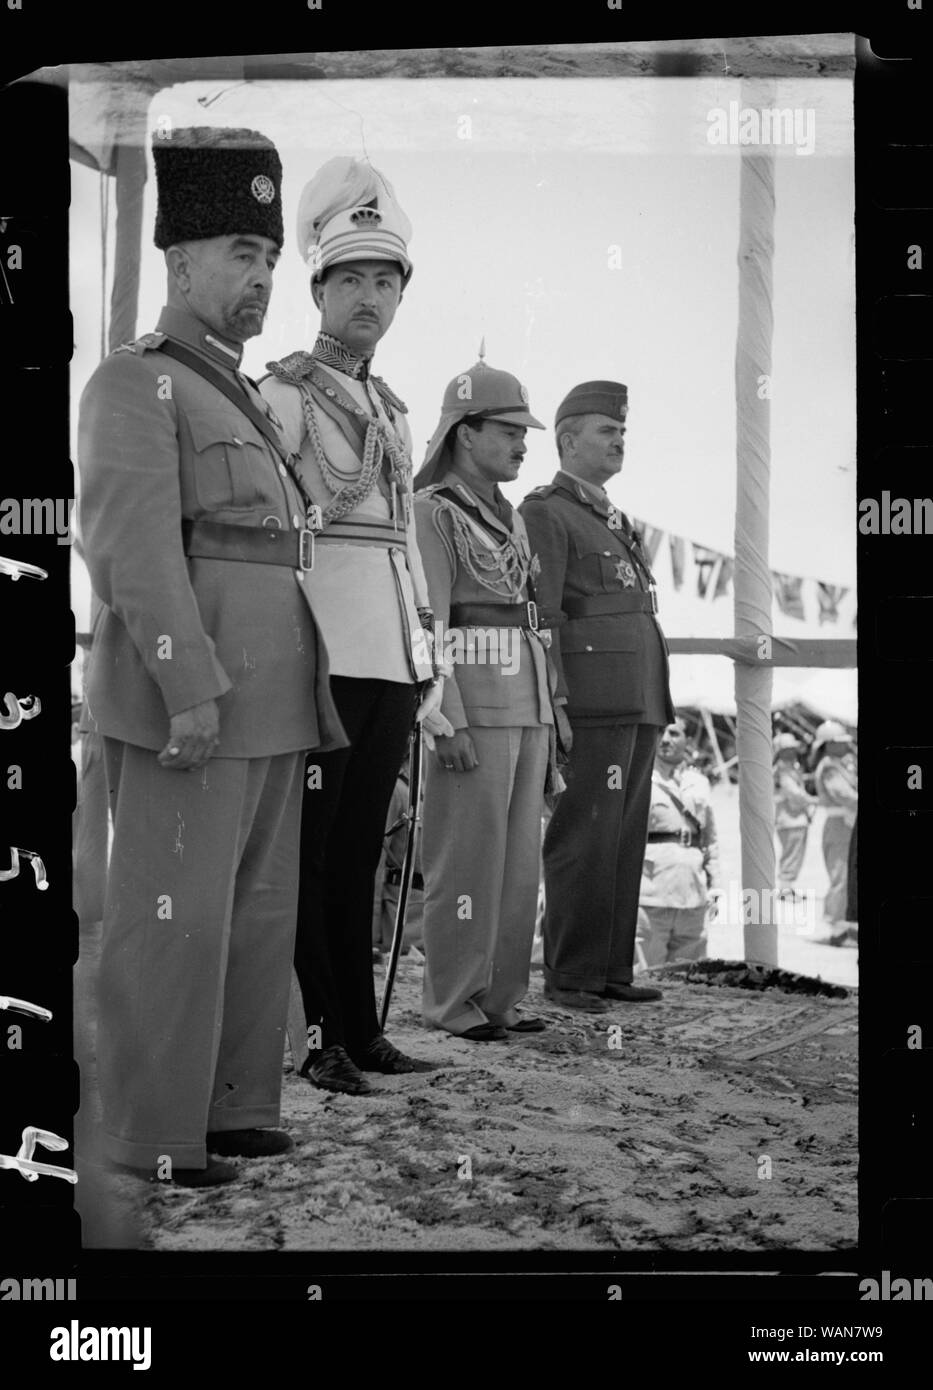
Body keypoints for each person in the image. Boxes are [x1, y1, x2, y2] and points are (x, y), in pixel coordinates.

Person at [77, 127, 344, 1187]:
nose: (262, 276)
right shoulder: (132, 384)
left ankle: (233, 1108)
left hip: (273, 700)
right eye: (241, 249)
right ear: (179, 260)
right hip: (196, 699)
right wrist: (189, 685)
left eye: (271, 257)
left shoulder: (243, 398)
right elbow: (130, 549)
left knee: (252, 916)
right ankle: (149, 1134)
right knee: (171, 923)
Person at [259, 158, 443, 1096]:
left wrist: (427, 657)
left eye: (385, 281)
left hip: (391, 659)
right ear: (318, 287)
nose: (369, 297)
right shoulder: (283, 395)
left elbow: (402, 546)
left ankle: (363, 1031)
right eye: (351, 280)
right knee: (311, 851)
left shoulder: (393, 412)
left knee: (363, 850)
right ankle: (320, 1036)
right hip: (323, 655)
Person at [413, 355, 555, 1040]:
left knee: (516, 867)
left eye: (524, 432)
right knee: (464, 861)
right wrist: (448, 721)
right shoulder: (431, 513)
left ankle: (499, 998)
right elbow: (428, 625)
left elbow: (526, 619)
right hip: (473, 707)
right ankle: (450, 1003)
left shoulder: (509, 517)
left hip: (526, 706)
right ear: (464, 433)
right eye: (507, 431)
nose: (522, 443)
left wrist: (549, 714)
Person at [519, 381, 673, 1012]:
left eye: (622, 433)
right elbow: (543, 614)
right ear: (567, 439)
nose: (619, 442)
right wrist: (554, 698)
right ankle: (572, 975)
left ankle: (609, 968)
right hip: (591, 698)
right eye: (607, 431)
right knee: (584, 833)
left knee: (623, 835)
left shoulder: (612, 518)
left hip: (637, 695)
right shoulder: (546, 512)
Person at [636, 717, 719, 966]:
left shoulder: (699, 783)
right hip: (652, 894)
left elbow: (710, 839)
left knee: (689, 978)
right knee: (645, 974)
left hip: (693, 894)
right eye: (659, 732)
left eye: (673, 733)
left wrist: (715, 885)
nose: (665, 739)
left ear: (688, 741)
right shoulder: (638, 778)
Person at [811, 720, 858, 945]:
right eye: (840, 742)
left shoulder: (840, 763)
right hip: (840, 825)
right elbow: (844, 794)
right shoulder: (829, 766)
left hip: (848, 823)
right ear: (828, 745)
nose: (846, 745)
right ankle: (838, 931)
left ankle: (848, 927)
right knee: (841, 875)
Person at [772, 732, 816, 896]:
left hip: (797, 818)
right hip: (789, 819)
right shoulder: (781, 770)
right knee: (791, 854)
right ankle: (784, 889)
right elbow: (794, 793)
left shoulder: (792, 768)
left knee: (796, 854)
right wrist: (812, 800)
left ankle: (788, 887)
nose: (792, 752)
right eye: (788, 749)